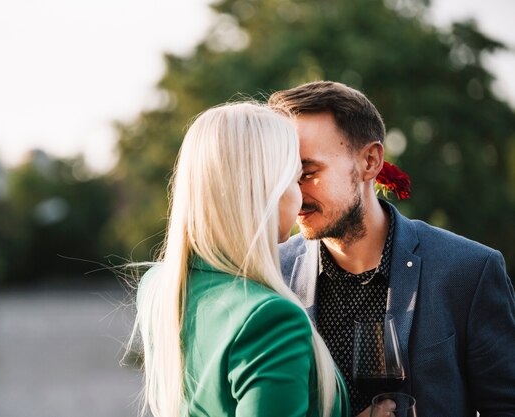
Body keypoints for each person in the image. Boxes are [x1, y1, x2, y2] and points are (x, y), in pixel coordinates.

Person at [269, 80, 515, 417]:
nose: (292, 192)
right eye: (281, 175)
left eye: (307, 173)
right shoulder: (272, 275)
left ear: (370, 161)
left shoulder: (469, 270)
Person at [130, 102, 349, 417]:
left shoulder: (157, 285)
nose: (300, 196)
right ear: (264, 189)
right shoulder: (270, 319)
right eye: (295, 178)